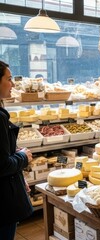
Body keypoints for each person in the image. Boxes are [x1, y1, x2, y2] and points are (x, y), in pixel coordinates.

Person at [0, 61, 33, 240]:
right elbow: (3, 164)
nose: (12, 84)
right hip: (3, 203)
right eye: (9, 79)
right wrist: (23, 157)